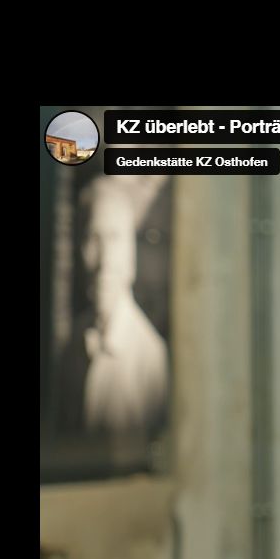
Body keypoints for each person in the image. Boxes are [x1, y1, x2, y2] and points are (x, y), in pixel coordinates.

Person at [54, 175, 170, 437]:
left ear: (132, 252)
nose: (105, 259)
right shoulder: (73, 346)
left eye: (116, 238)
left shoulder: (150, 360)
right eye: (94, 238)